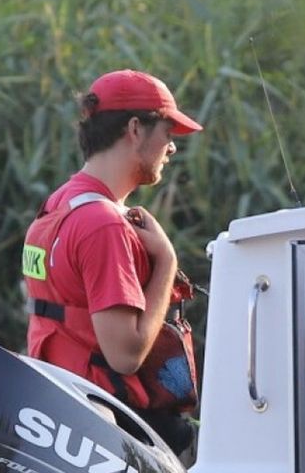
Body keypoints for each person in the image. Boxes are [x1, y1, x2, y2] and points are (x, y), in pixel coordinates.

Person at [22, 68, 201, 453]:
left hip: (61, 415)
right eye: (167, 133)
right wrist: (167, 264)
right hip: (104, 428)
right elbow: (125, 355)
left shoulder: (56, 206)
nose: (172, 148)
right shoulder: (103, 225)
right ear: (135, 129)